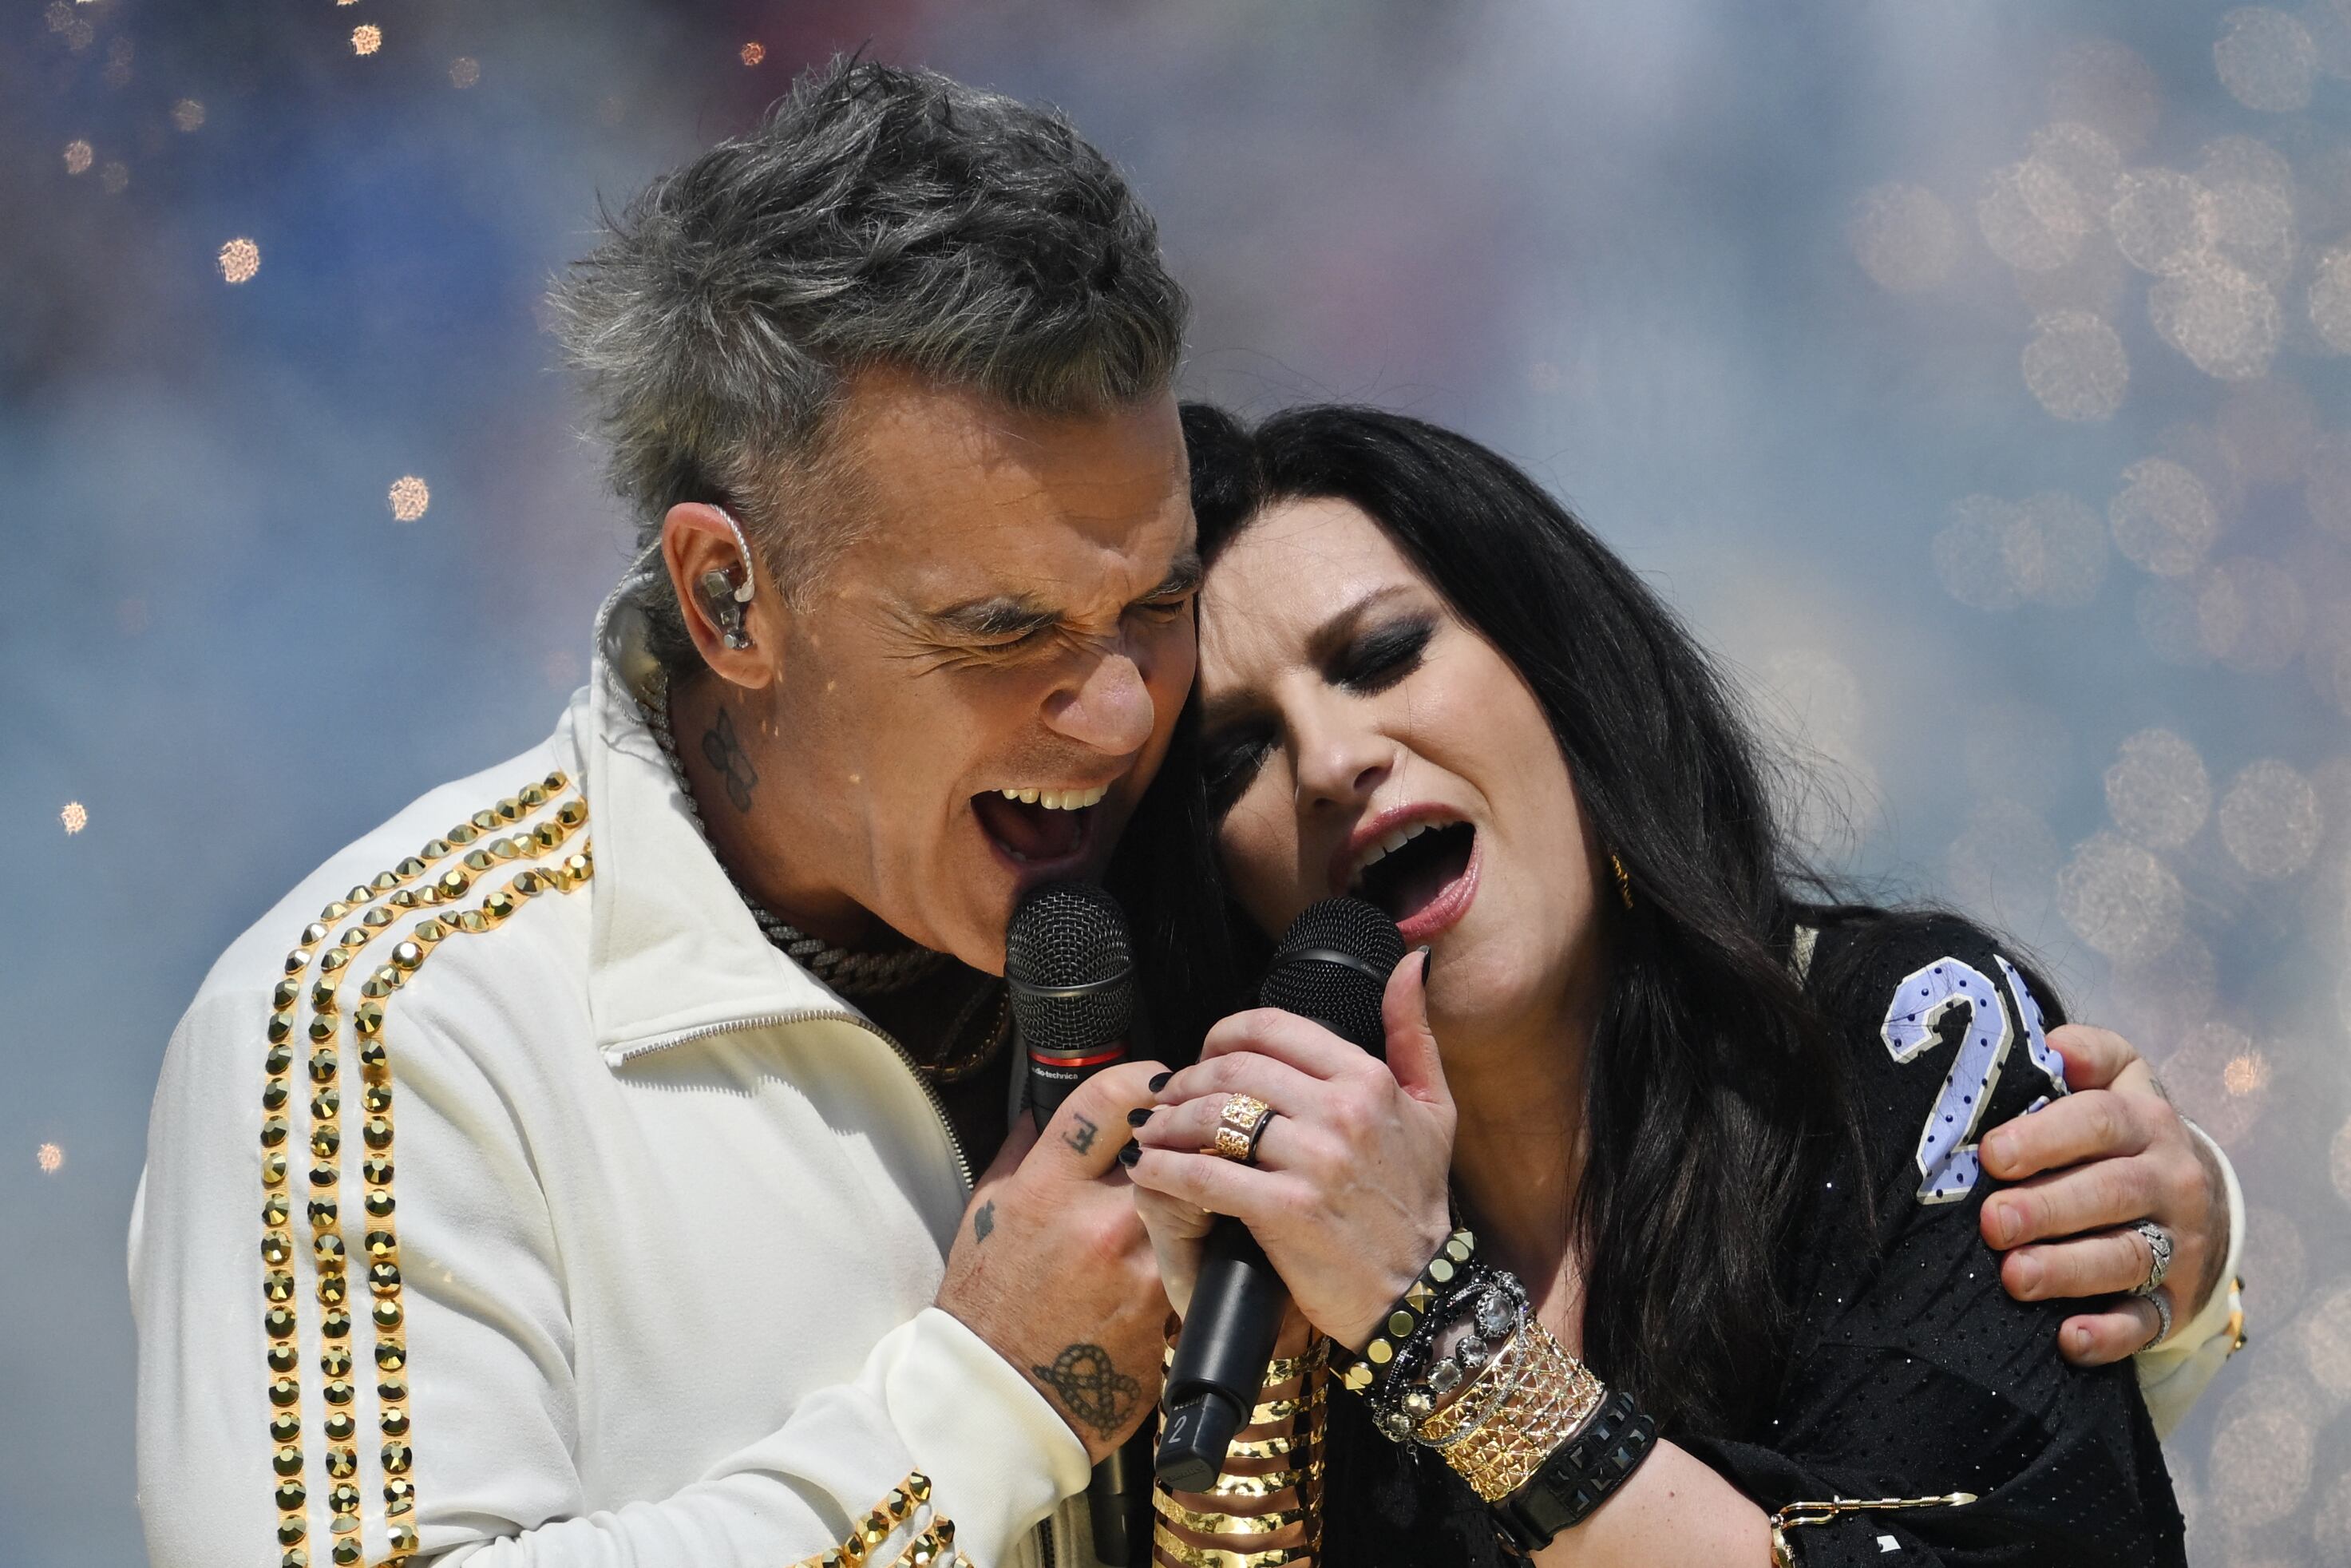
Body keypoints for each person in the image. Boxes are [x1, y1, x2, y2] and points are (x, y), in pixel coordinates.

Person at [127, 60, 2232, 1568]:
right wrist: (976, 1393)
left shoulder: (1125, 975)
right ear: (727, 594)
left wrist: (2161, 1241)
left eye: (1147, 610)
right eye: (1001, 626)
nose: (1123, 706)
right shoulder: (390, 1017)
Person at [1118, 403, 2244, 1566]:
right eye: (1234, 758)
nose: (1330, 761)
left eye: (1382, 655)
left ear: (1559, 670)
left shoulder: (1906, 1044)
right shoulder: (1242, 1259)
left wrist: (1434, 1332)